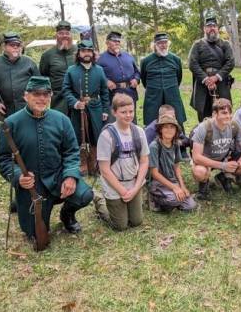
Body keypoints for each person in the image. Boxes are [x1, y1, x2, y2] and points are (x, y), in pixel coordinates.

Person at [0, 76, 93, 238]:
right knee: (33, 233)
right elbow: (3, 159)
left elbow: (71, 151)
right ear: (26, 96)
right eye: (36, 94)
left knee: (84, 195)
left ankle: (66, 215)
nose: (42, 98)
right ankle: (21, 204)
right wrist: (19, 177)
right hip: (31, 185)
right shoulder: (11, 123)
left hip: (57, 177)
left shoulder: (62, 120)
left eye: (46, 94)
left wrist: (70, 176)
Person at [95, 94, 150, 230]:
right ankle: (99, 200)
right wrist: (122, 191)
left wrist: (136, 188)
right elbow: (105, 170)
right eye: (123, 112)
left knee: (136, 221)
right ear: (114, 112)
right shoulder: (107, 135)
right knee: (120, 226)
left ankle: (125, 203)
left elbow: (144, 161)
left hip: (133, 182)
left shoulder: (139, 132)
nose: (128, 115)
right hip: (114, 184)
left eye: (131, 111)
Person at [190, 98, 241, 200]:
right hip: (206, 160)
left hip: (224, 157)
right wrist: (223, 166)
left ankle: (224, 177)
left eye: (229, 113)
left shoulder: (234, 125)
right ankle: (203, 187)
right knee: (200, 172)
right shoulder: (204, 127)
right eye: (223, 113)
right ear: (215, 114)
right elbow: (196, 157)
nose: (227, 116)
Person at [62, 40, 110, 162]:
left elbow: (104, 91)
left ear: (93, 54)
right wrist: (75, 103)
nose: (87, 53)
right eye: (83, 51)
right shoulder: (71, 70)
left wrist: (105, 110)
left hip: (96, 108)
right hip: (78, 109)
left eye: (89, 51)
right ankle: (82, 163)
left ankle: (95, 163)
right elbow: (66, 90)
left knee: (96, 135)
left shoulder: (99, 70)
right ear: (78, 53)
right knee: (78, 136)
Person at [0, 32, 39, 132]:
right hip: (4, 109)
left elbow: (38, 84)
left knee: (26, 136)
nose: (16, 48)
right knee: (6, 138)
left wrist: (34, 102)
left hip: (26, 108)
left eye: (18, 45)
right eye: (12, 45)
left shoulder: (29, 63)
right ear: (4, 47)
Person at [188, 16, 235, 121]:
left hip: (221, 83)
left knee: (223, 111)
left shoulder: (225, 44)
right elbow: (192, 63)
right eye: (209, 26)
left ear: (217, 28)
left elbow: (230, 62)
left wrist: (216, 77)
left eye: (214, 26)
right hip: (202, 83)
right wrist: (206, 79)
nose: (212, 28)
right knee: (203, 116)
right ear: (205, 29)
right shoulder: (197, 45)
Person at [148, 114, 197, 212]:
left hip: (172, 180)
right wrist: (174, 188)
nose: (169, 130)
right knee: (174, 200)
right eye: (165, 127)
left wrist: (182, 186)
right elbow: (155, 173)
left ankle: (172, 201)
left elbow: (177, 166)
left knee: (191, 205)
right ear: (160, 129)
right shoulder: (154, 146)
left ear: (176, 131)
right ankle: (154, 199)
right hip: (158, 183)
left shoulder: (175, 144)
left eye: (172, 127)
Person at [140, 32, 187, 128]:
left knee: (177, 122)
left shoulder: (175, 59)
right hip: (153, 97)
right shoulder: (146, 61)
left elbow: (179, 77)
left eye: (165, 42)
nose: (163, 45)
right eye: (160, 43)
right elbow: (144, 80)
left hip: (172, 95)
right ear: (155, 45)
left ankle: (179, 141)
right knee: (152, 123)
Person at [97, 31, 141, 123]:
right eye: (114, 41)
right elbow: (96, 74)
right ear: (107, 43)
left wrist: (136, 79)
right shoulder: (100, 59)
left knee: (131, 122)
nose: (117, 43)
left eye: (118, 41)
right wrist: (106, 81)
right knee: (114, 124)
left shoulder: (128, 56)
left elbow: (137, 72)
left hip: (130, 93)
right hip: (112, 95)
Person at [40, 20, 77, 114]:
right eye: (61, 33)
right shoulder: (47, 55)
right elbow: (43, 76)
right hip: (58, 100)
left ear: (71, 35)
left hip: (78, 98)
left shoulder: (79, 51)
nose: (64, 36)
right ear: (56, 35)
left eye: (67, 33)